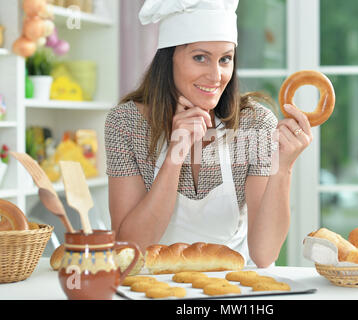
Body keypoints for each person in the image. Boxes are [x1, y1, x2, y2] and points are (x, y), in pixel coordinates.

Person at [105, 0, 313, 268]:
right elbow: (129, 249)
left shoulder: (255, 124)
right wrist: (174, 156)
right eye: (199, 57)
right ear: (169, 58)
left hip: (233, 289)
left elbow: (264, 254)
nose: (216, 76)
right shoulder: (126, 124)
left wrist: (283, 167)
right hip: (154, 286)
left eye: (225, 59)